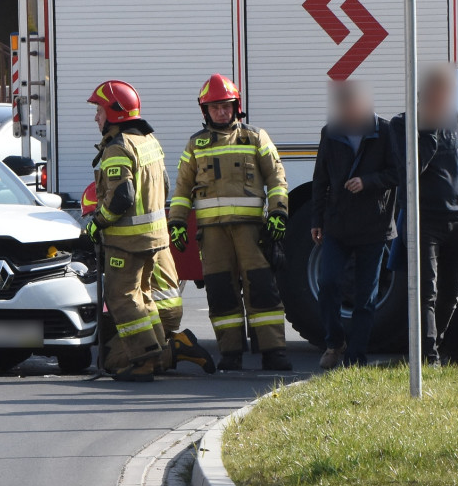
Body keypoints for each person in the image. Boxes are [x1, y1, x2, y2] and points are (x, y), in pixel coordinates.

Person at [86, 80, 215, 382]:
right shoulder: (148, 141)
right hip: (155, 240)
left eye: (99, 111)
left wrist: (98, 222)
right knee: (143, 297)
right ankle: (162, 352)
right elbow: (166, 186)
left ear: (114, 113)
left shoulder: (118, 147)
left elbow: (121, 198)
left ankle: (144, 361)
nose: (96, 118)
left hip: (127, 243)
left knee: (124, 298)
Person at [168, 73, 293, 372]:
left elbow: (277, 178)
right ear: (205, 111)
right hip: (212, 236)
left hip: (252, 231)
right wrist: (177, 222)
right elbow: (183, 188)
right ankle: (231, 353)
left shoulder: (255, 137)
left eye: (226, 106)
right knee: (220, 292)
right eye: (215, 107)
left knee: (262, 289)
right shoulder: (195, 144)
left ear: (236, 106)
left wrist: (278, 213)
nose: (221, 112)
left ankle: (273, 352)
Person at [391, 65, 458, 366]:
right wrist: (427, 133)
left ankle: (430, 345)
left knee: (452, 292)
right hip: (422, 220)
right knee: (425, 291)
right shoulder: (402, 125)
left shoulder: (457, 121)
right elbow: (409, 172)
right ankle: (428, 358)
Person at [310, 80, 399, 368]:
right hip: (338, 225)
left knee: (366, 296)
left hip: (374, 227)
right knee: (328, 283)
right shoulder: (330, 133)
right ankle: (334, 343)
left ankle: (356, 356)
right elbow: (320, 180)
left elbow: (398, 172)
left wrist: (368, 182)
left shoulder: (385, 132)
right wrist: (316, 219)